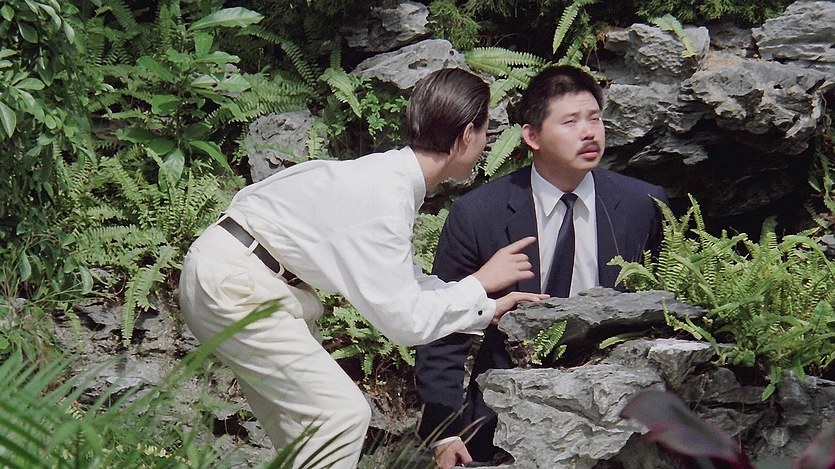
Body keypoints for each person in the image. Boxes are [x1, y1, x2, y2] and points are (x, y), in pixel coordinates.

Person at [178, 67, 548, 469]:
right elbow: (404, 322)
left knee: (304, 438)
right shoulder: (385, 198)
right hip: (237, 283)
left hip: (239, 276)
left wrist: (485, 306)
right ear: (465, 136)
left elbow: (404, 284)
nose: (487, 143)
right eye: (486, 131)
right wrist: (479, 282)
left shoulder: (386, 180)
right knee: (342, 417)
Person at [414, 65, 669, 469]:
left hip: (621, 408)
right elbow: (442, 328)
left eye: (595, 119)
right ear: (532, 136)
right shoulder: (479, 213)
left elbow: (671, 305)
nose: (589, 132)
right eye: (570, 122)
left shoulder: (643, 205)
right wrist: (443, 431)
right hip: (505, 410)